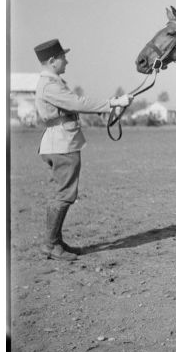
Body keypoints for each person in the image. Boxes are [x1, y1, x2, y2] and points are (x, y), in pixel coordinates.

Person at [33, 39, 133, 261]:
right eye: (62, 57)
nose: (66, 60)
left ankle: (55, 242)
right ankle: (50, 244)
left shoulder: (51, 82)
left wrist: (111, 105)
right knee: (65, 194)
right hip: (62, 144)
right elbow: (77, 103)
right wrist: (113, 103)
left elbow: (72, 106)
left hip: (60, 142)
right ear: (52, 61)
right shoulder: (50, 85)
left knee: (64, 193)